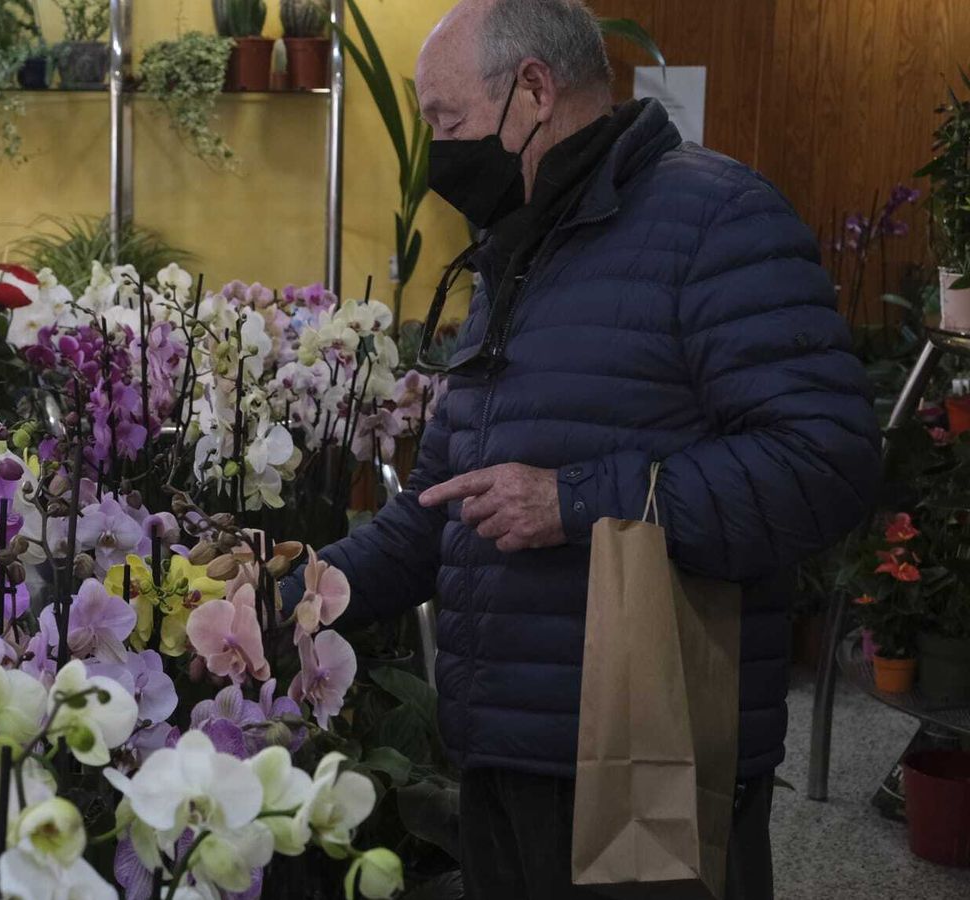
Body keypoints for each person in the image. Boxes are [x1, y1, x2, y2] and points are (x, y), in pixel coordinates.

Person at [284, 1, 882, 897]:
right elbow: (439, 510)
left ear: (532, 91)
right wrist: (291, 592)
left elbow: (829, 462)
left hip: (643, 761)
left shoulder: (716, 220)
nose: (437, 152)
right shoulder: (517, 247)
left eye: (445, 123)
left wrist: (575, 500)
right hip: (504, 751)